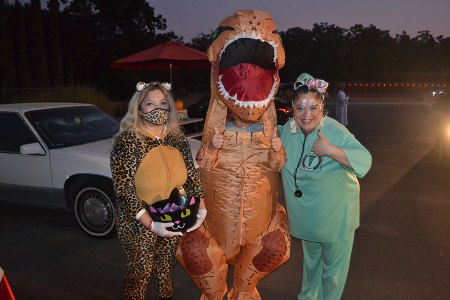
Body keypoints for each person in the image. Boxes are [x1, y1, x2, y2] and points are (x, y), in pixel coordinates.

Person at [276, 73, 372, 300]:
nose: (306, 114)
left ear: (322, 106)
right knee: (311, 267)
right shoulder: (286, 131)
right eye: (300, 108)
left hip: (335, 218)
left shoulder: (334, 131)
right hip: (307, 218)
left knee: (333, 274)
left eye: (313, 107)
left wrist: (330, 150)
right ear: (292, 107)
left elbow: (365, 159)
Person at [110, 81, 206, 300]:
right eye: (150, 104)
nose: (158, 109)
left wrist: (201, 207)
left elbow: (191, 175)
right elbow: (124, 189)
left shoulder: (177, 138)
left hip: (172, 211)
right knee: (140, 271)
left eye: (163, 103)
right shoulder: (128, 141)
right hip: (137, 220)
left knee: (165, 267)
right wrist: (151, 224)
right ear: (139, 108)